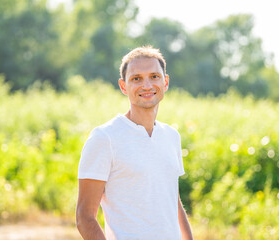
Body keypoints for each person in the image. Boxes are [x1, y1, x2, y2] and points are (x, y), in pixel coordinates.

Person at [76, 46, 193, 240]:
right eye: (136, 78)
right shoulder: (104, 138)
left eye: (154, 76)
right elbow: (84, 217)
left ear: (165, 82)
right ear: (123, 86)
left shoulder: (172, 136)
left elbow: (173, 201)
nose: (146, 85)